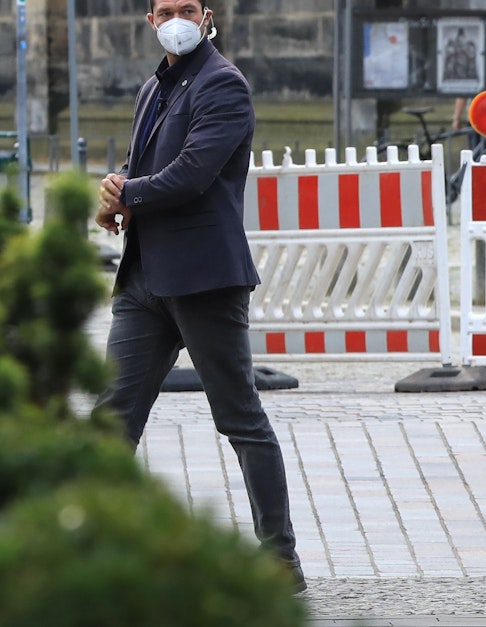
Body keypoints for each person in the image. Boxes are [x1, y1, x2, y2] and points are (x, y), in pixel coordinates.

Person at [96, 0, 303, 591]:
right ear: (150, 20)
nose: (176, 19)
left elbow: (191, 173)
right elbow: (148, 166)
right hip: (144, 281)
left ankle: (279, 558)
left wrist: (126, 193)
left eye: (187, 8)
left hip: (204, 279)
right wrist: (118, 193)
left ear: (207, 16)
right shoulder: (153, 86)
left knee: (239, 419)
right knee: (112, 416)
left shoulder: (223, 84)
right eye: (166, 10)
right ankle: (85, 550)